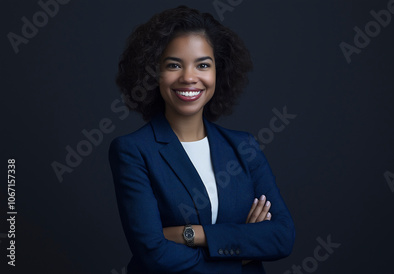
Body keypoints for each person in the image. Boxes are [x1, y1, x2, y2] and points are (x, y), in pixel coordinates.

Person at [109, 5, 295, 273]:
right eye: (174, 65)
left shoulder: (244, 147)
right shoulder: (133, 151)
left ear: (218, 72)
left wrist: (192, 234)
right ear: (153, 73)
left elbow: (282, 236)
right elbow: (153, 252)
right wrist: (241, 252)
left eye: (203, 65)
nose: (188, 78)